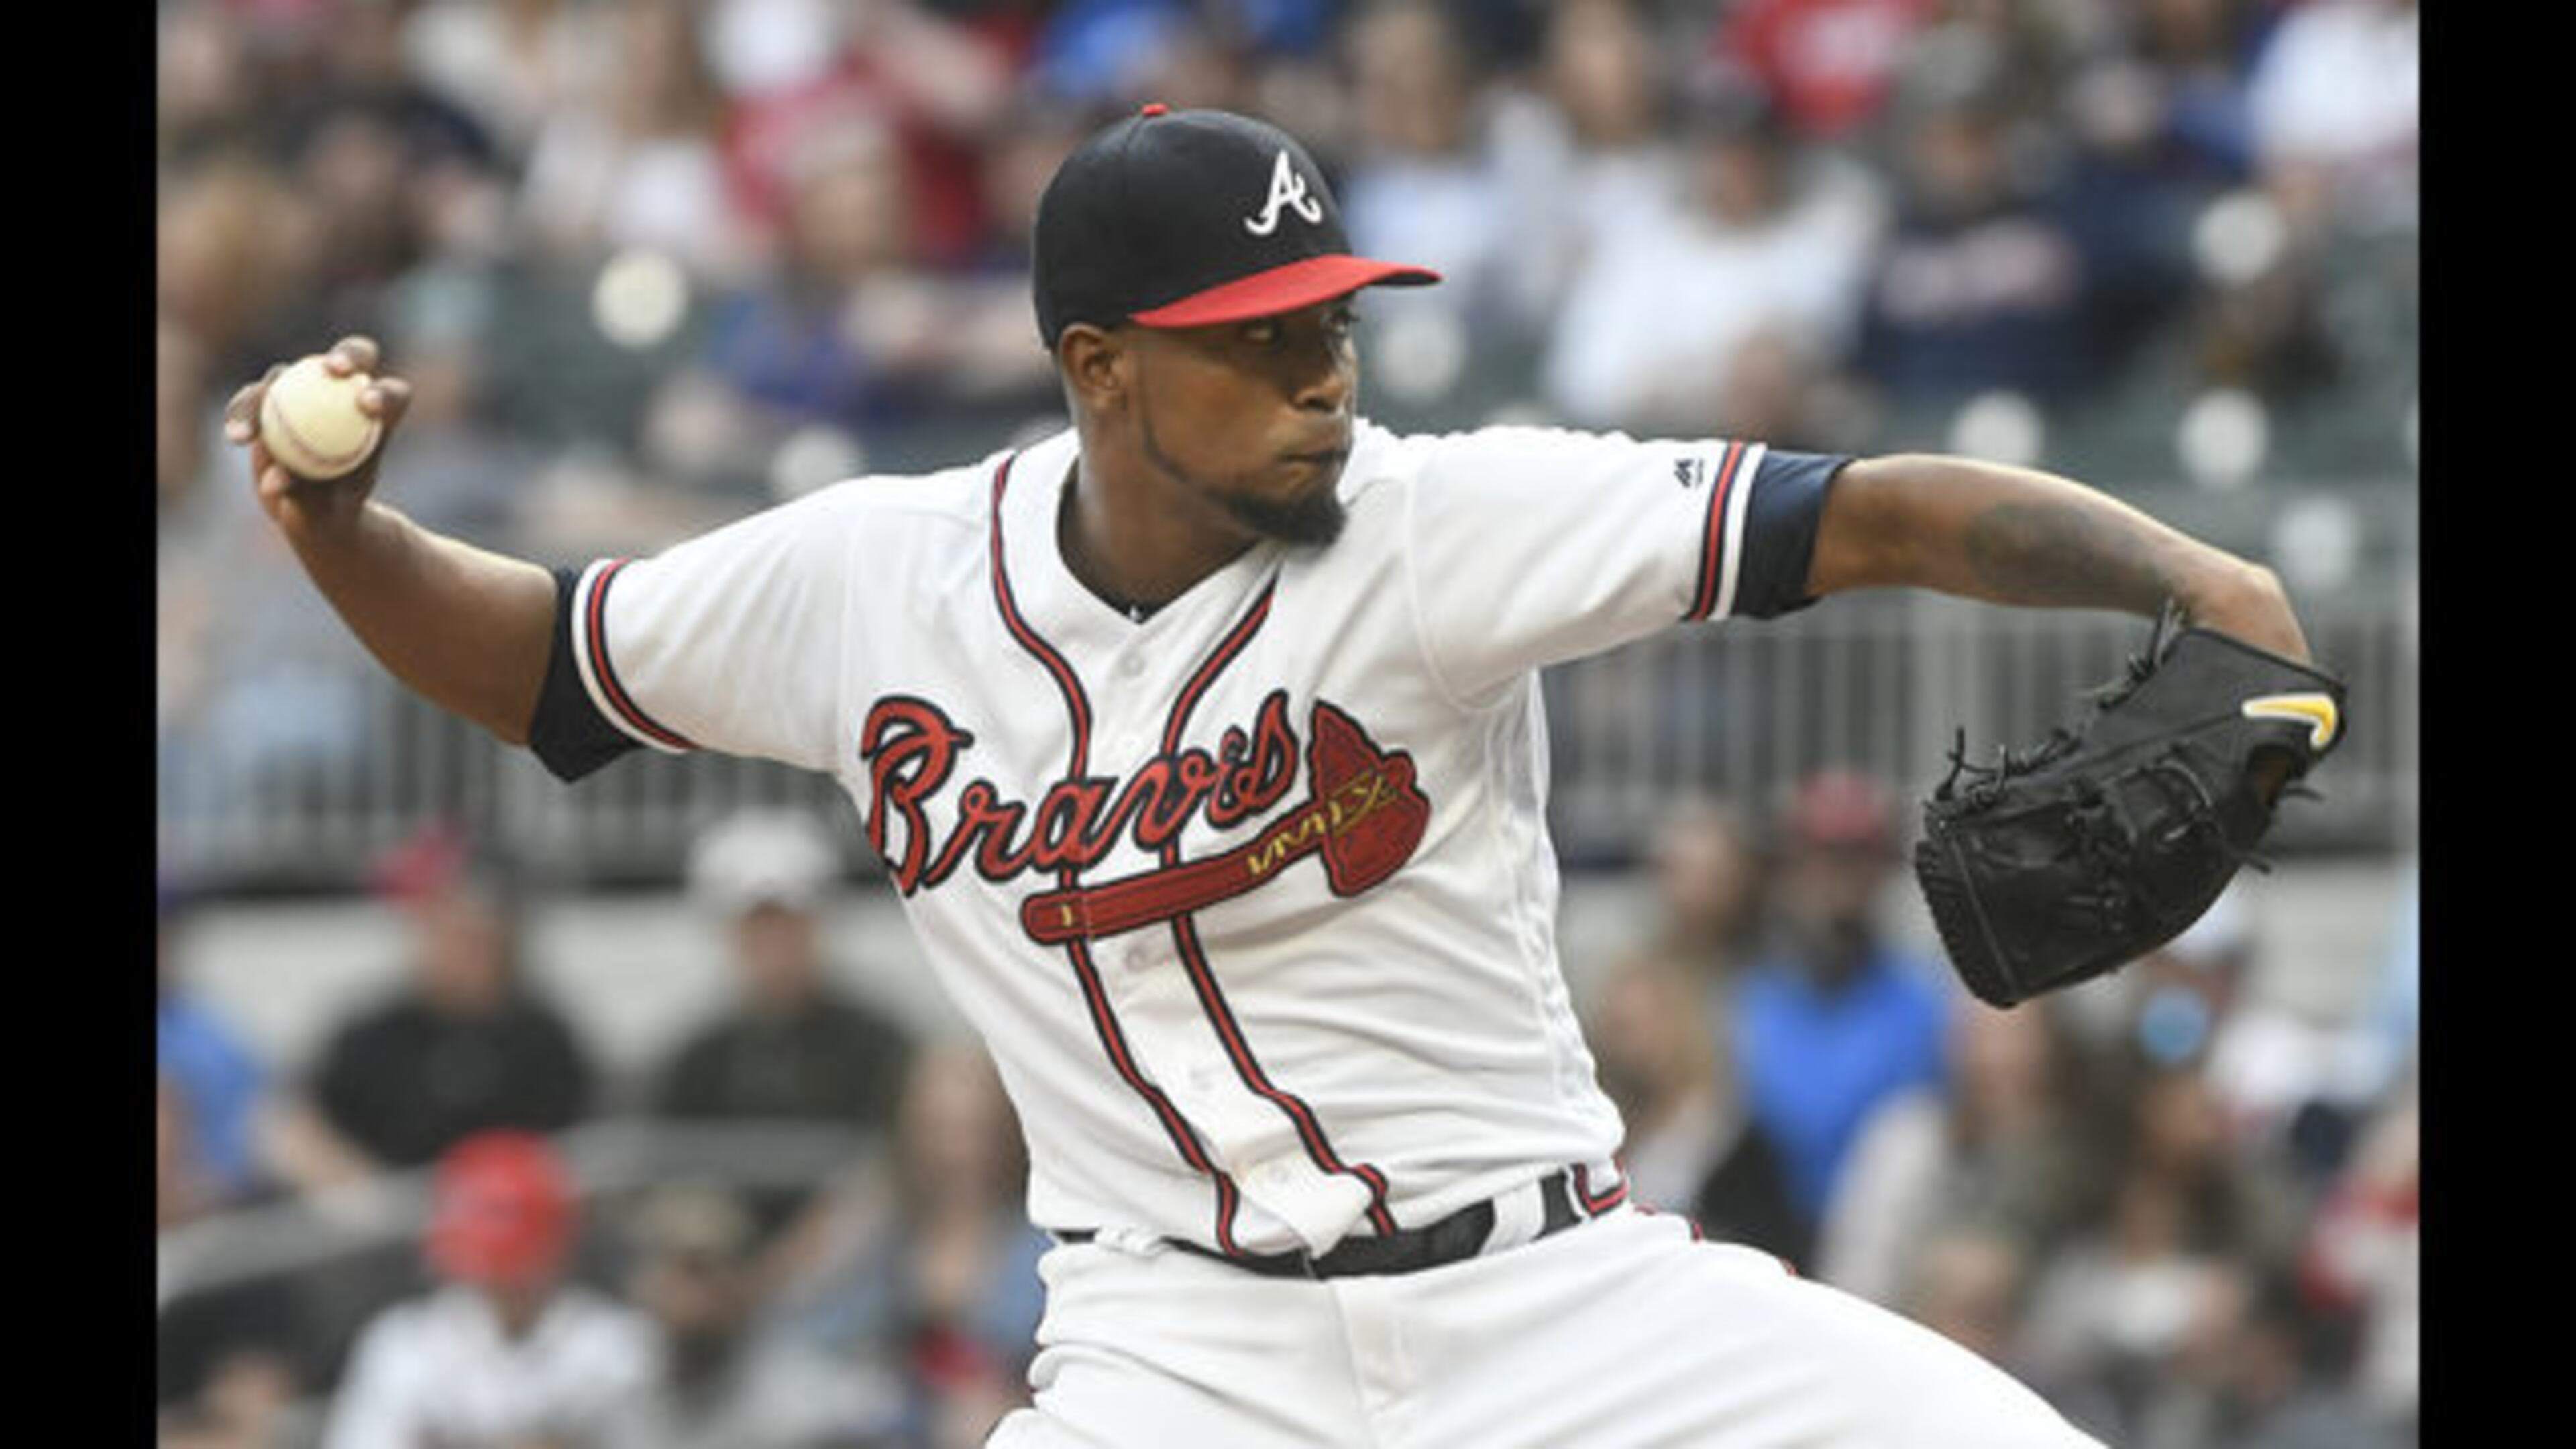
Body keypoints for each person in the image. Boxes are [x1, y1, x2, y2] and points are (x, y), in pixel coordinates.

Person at [226, 102, 2319, 1446]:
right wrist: (339, 534)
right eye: (1256, 335)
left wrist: (2200, 573)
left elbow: (1869, 510)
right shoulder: (872, 582)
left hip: (1564, 1306)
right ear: (1097, 368)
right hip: (1177, 1365)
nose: (1321, 371)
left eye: (1329, 318)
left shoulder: (1439, 521)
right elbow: (537, 665)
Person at [321, 1130, 658, 1449]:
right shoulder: (403, 1344)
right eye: (483, 1265)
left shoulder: (618, 1347)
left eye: (515, 1265)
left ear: (556, 1252)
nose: (498, 1283)